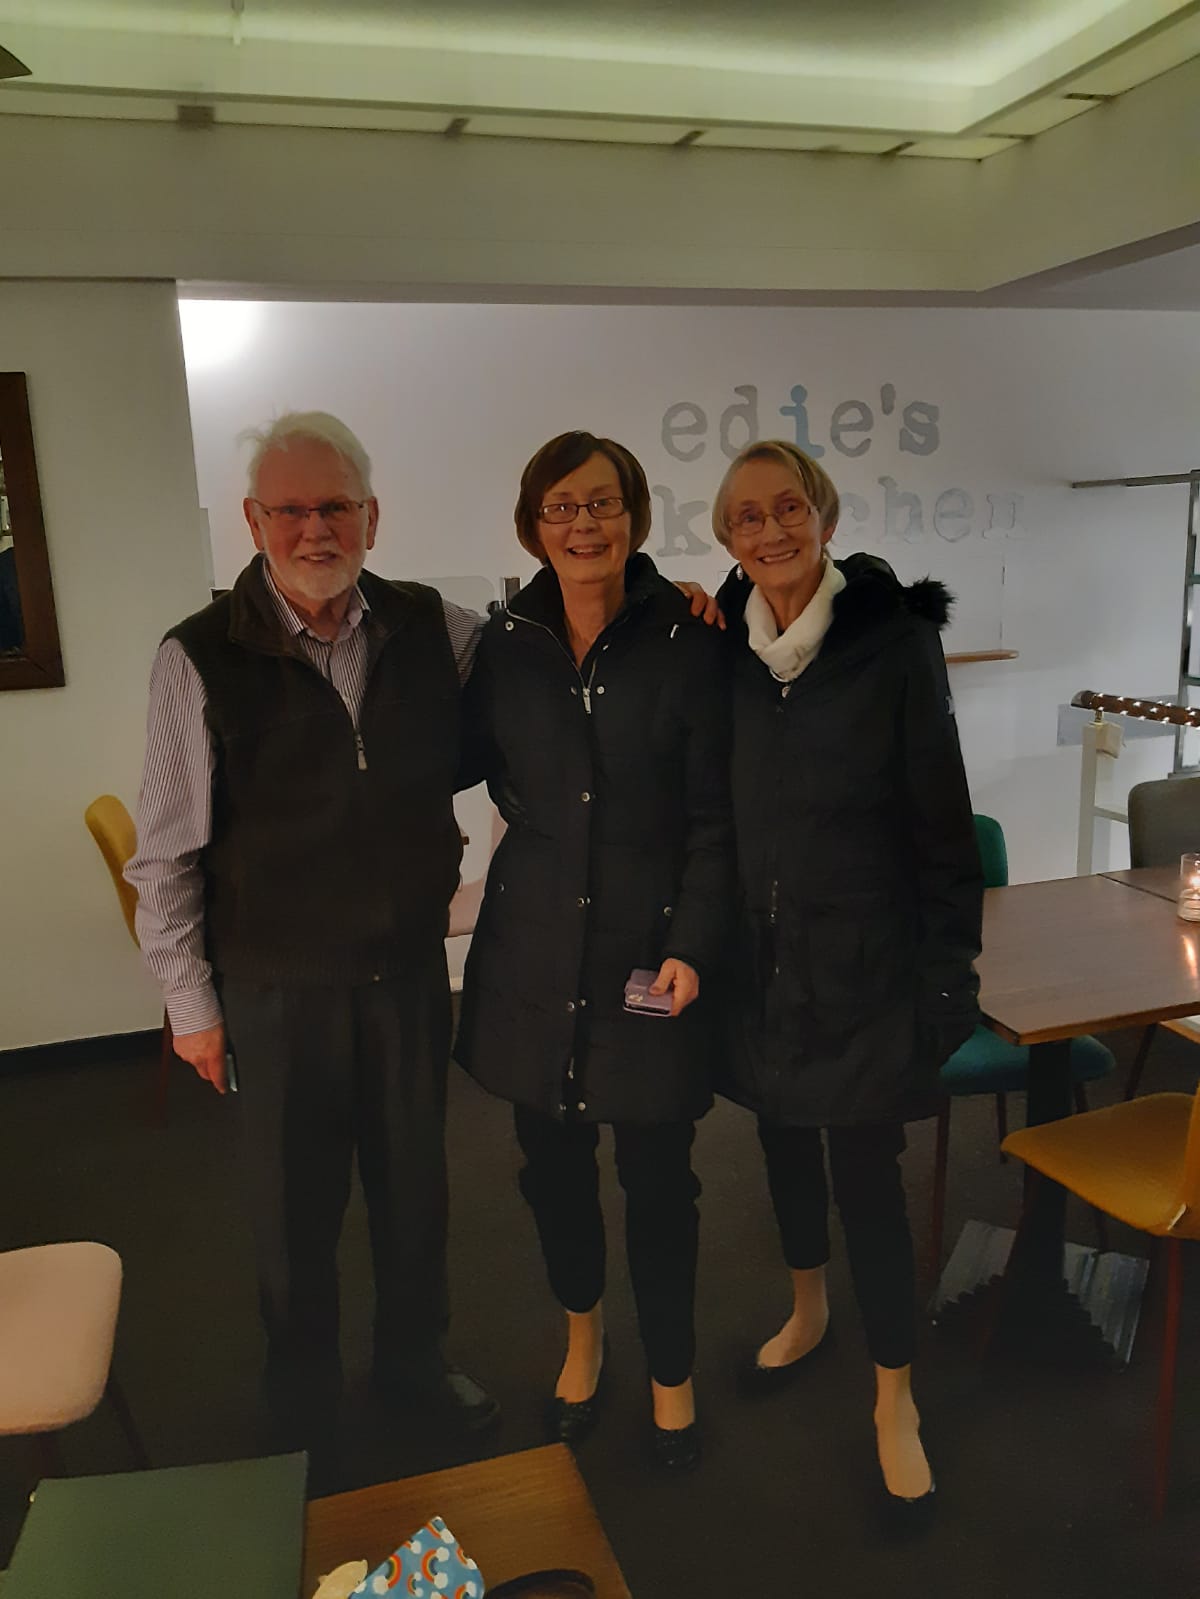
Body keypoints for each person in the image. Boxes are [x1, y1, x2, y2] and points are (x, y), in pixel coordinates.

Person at [125, 411, 497, 1456]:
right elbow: (166, 853)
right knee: (294, 1215)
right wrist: (192, 1006)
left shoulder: (436, 628)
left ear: (373, 515)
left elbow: (547, 661)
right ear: (253, 521)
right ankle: (303, 1404)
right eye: (289, 509)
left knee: (415, 1195)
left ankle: (414, 1369)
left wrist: (667, 600)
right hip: (276, 986)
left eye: (335, 505)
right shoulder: (198, 655)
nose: (314, 528)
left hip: (405, 974)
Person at [711, 440, 983, 1525]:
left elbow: (943, 824)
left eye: (790, 508)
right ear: (727, 538)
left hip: (867, 965)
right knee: (782, 1143)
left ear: (825, 516)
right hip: (760, 963)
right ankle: (807, 1308)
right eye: (747, 517)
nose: (771, 531)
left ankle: (894, 1396)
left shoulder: (894, 641)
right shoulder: (722, 648)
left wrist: (949, 976)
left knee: (868, 1178)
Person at [455, 430, 733, 1470]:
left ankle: (672, 1372)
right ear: (534, 525)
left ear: (636, 516)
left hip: (648, 956)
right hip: (534, 959)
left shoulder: (690, 640)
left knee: (660, 1176)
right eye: (562, 507)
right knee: (554, 1170)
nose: (584, 524)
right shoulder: (504, 646)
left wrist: (695, 940)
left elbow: (715, 819)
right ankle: (583, 1338)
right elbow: (442, 763)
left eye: (603, 503)